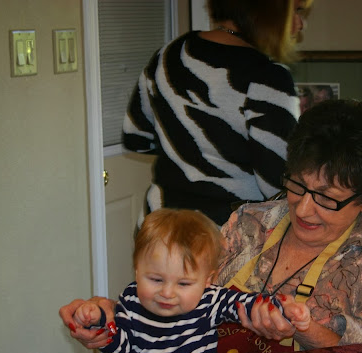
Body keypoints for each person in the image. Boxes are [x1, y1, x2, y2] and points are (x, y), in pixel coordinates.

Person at [61, 99, 362, 353]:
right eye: (297, 185)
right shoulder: (250, 222)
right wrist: (112, 317)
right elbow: (182, 295)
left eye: (327, 198)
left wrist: (305, 328)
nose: (303, 208)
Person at [65, 208, 310, 353]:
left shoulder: (210, 299)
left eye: (183, 283)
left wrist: (281, 309)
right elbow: (120, 347)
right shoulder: (131, 301)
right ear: (138, 271)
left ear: (207, 280)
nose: (167, 292)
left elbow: (246, 303)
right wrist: (98, 320)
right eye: (156, 279)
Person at [122, 0, 312, 225]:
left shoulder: (168, 55)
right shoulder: (268, 76)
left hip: (160, 224)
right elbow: (278, 182)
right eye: (296, 10)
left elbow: (136, 138)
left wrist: (189, 152)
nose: (301, 25)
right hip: (225, 233)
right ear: (268, 9)